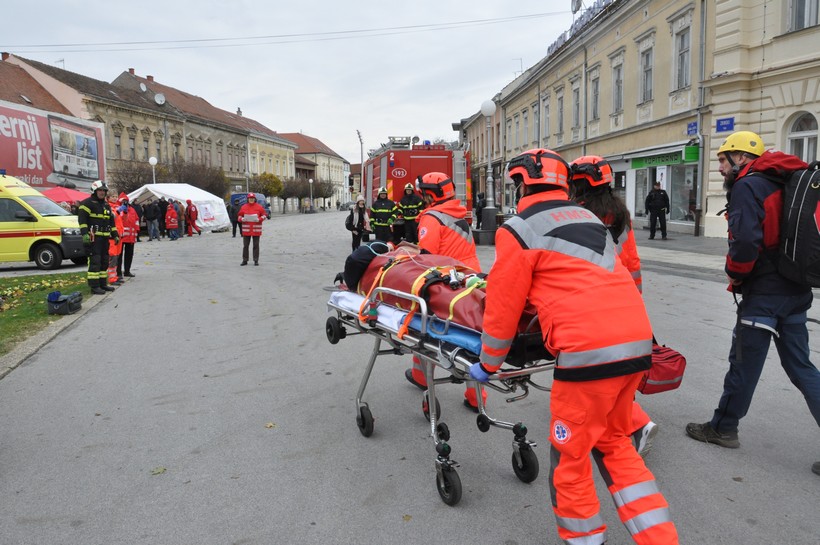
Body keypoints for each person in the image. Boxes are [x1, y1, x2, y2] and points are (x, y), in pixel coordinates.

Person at [470, 148, 679, 544]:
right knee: (617, 446)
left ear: (521, 184)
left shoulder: (518, 228)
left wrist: (489, 362)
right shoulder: (590, 219)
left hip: (587, 357)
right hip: (636, 347)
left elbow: (503, 305)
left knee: (570, 459)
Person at [685, 130, 820, 477]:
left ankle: (723, 428)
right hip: (795, 292)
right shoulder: (784, 181)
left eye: (722, 159)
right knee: (803, 369)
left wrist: (736, 274)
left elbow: (745, 244)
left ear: (741, 158)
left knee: (744, 364)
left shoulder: (748, 185)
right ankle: (724, 424)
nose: (719, 168)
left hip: (765, 295)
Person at [570, 155, 658, 457]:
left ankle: (635, 422)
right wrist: (636, 300)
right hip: (624, 296)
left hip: (591, 299)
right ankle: (628, 420)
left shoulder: (575, 214)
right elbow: (632, 260)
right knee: (618, 366)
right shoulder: (620, 213)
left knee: (596, 370)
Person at [405, 171, 485, 412]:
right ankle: (475, 397)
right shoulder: (457, 215)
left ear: (429, 195)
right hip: (471, 280)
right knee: (472, 340)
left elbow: (427, 259)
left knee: (425, 331)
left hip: (446, 285)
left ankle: (422, 378)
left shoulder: (431, 218)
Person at [77, 180, 118, 295]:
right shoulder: (86, 204)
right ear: (94, 191)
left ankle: (102, 284)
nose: (102, 192)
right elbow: (82, 221)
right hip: (93, 239)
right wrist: (84, 234)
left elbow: (111, 222)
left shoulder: (106, 205)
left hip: (105, 239)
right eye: (100, 190)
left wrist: (115, 235)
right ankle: (94, 287)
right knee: (95, 261)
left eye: (104, 191)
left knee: (104, 261)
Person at [238, 192, 267, 266]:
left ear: (255, 199)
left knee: (256, 246)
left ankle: (256, 260)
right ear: (248, 199)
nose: (251, 200)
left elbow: (264, 215)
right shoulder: (243, 207)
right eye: (250, 198)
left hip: (256, 230)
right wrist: (242, 219)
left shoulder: (259, 207)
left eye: (252, 198)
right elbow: (239, 216)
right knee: (245, 246)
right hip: (246, 230)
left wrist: (260, 219)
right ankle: (245, 260)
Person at [117, 193, 138, 278]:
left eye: (126, 201)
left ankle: (127, 271)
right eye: (123, 201)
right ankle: (118, 272)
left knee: (129, 254)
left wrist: (136, 231)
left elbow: (136, 220)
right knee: (119, 255)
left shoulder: (132, 209)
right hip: (121, 236)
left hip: (130, 237)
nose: (125, 202)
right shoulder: (118, 209)